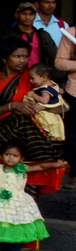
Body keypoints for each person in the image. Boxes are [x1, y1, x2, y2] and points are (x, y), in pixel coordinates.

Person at [0, 37, 68, 207]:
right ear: (4, 58)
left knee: (29, 183)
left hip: (30, 138)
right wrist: (13, 106)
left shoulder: (34, 79)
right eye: (17, 56)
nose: (22, 61)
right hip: (2, 135)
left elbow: (61, 106)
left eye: (25, 57)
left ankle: (25, 226)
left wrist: (40, 108)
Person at [52, 23, 76, 188]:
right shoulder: (71, 33)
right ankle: (75, 175)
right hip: (75, 91)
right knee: (74, 136)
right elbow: (59, 63)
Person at [24, 63, 68, 149]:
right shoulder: (52, 84)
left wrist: (33, 95)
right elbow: (61, 91)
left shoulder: (45, 89)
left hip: (47, 115)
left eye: (33, 78)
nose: (31, 81)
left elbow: (44, 101)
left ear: (44, 77)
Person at [3, 2, 57, 68]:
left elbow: (53, 57)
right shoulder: (10, 35)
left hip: (39, 74)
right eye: (24, 14)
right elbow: (3, 57)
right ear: (17, 15)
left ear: (35, 16)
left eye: (31, 14)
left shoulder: (43, 35)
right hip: (17, 75)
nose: (28, 17)